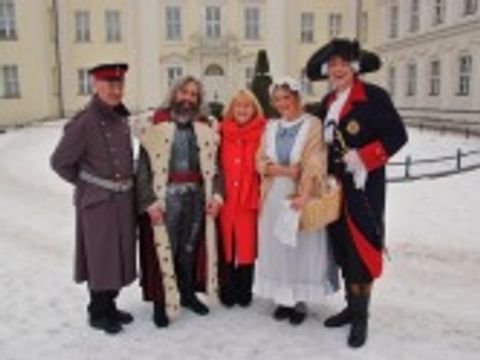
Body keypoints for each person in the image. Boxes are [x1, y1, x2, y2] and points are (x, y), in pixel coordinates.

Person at [306, 38, 408, 348]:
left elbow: (397, 135)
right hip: (335, 189)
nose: (338, 69)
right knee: (344, 248)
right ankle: (351, 308)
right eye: (333, 64)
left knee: (363, 248)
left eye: (343, 64)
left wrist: (364, 157)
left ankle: (361, 317)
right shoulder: (327, 103)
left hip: (364, 189)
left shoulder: (374, 97)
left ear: (354, 67)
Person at [50, 63, 136, 335]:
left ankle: (109, 305)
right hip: (98, 203)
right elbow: (60, 162)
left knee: (118, 255)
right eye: (109, 84)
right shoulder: (85, 121)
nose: (116, 90)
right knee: (101, 258)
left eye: (119, 84)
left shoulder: (120, 118)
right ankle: (97, 311)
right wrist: (89, 186)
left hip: (122, 201)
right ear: (95, 86)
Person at [135, 76, 223, 328]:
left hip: (195, 196)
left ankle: (186, 294)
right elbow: (142, 167)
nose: (188, 98)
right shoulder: (154, 125)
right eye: (184, 92)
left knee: (189, 250)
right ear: (174, 94)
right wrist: (148, 201)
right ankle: (161, 302)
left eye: (194, 95)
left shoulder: (205, 128)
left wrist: (216, 195)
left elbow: (216, 166)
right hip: (165, 197)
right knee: (164, 251)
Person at [253, 77, 339, 326]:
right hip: (273, 194)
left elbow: (315, 160)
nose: (282, 104)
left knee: (300, 245)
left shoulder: (312, 124)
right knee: (278, 245)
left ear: (297, 98)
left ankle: (299, 300)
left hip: (301, 194)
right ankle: (282, 298)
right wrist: (283, 170)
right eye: (277, 99)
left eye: (286, 98)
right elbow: (259, 160)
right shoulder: (270, 126)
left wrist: (304, 194)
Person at [218, 90, 266, 307]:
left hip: (250, 196)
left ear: (255, 109)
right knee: (226, 243)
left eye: (247, 106)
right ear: (231, 109)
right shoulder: (221, 131)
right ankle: (226, 289)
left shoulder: (263, 132)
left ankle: (244, 289)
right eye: (238, 105)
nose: (242, 110)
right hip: (226, 195)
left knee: (246, 244)